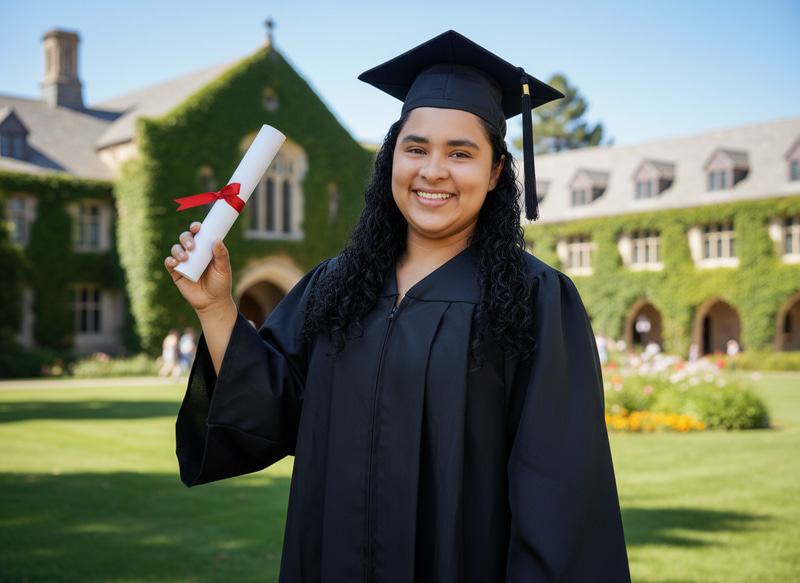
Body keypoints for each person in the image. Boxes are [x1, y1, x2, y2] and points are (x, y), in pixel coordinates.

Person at [166, 30, 630, 582]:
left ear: (497, 171)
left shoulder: (535, 299)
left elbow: (560, 493)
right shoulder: (336, 285)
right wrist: (216, 308)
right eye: (416, 149)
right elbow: (271, 412)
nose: (433, 171)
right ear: (392, 159)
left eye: (461, 153)